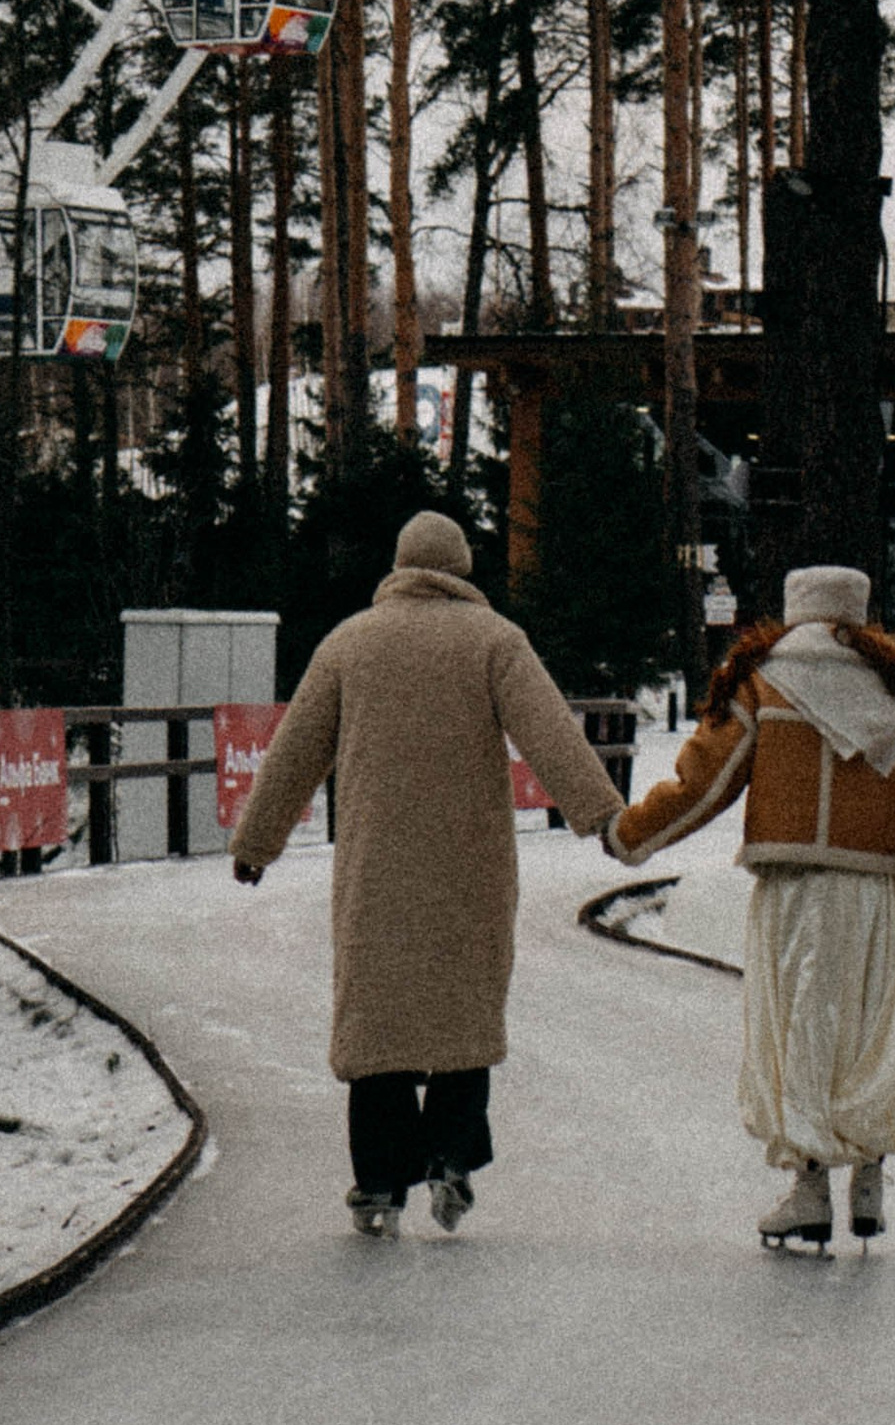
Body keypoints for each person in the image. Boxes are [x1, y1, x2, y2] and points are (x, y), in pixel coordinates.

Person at [229, 509, 622, 1236]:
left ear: (400, 564)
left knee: (378, 1025)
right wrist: (601, 815)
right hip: (470, 866)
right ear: (461, 568)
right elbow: (550, 733)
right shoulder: (496, 642)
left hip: (376, 867)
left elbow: (295, 752)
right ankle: (451, 1159)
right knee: (460, 1019)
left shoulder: (350, 642)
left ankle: (378, 1183)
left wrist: (256, 842)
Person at [606, 565, 895, 1252]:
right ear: (858, 614)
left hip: (794, 890)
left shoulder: (761, 684)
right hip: (872, 894)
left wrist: (631, 836)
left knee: (799, 1029)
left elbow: (702, 786)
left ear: (793, 610)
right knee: (868, 1033)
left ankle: (807, 1190)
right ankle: (868, 1176)